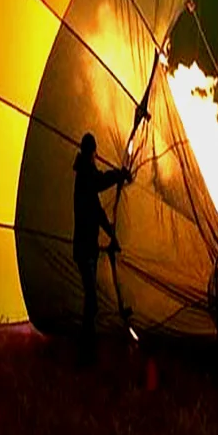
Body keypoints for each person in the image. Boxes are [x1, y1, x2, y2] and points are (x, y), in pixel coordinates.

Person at [73, 132, 130, 354]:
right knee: (92, 301)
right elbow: (100, 181)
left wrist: (111, 235)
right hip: (84, 249)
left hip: (89, 248)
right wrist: (119, 175)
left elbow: (97, 212)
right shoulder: (86, 176)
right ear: (92, 152)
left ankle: (88, 347)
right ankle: (86, 349)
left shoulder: (85, 178)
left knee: (91, 300)